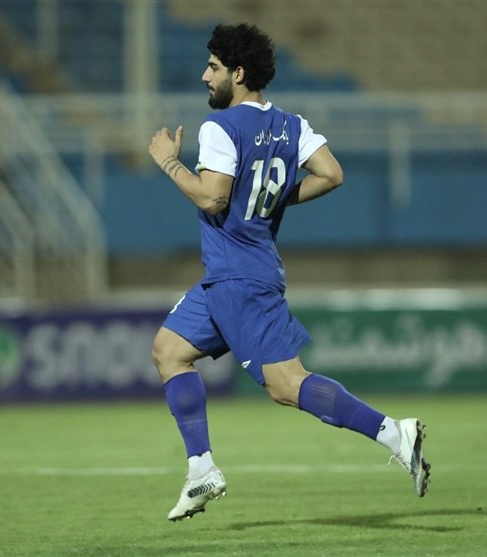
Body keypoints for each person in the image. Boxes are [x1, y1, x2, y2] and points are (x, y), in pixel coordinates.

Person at [148, 23, 431, 522]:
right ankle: (201, 470)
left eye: (212, 67)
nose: (204, 76)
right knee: (168, 350)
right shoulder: (291, 125)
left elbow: (213, 198)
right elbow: (332, 173)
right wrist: (276, 198)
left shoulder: (220, 127)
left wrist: (169, 163)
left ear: (238, 73)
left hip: (239, 279)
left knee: (286, 384)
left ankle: (394, 433)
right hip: (232, 275)